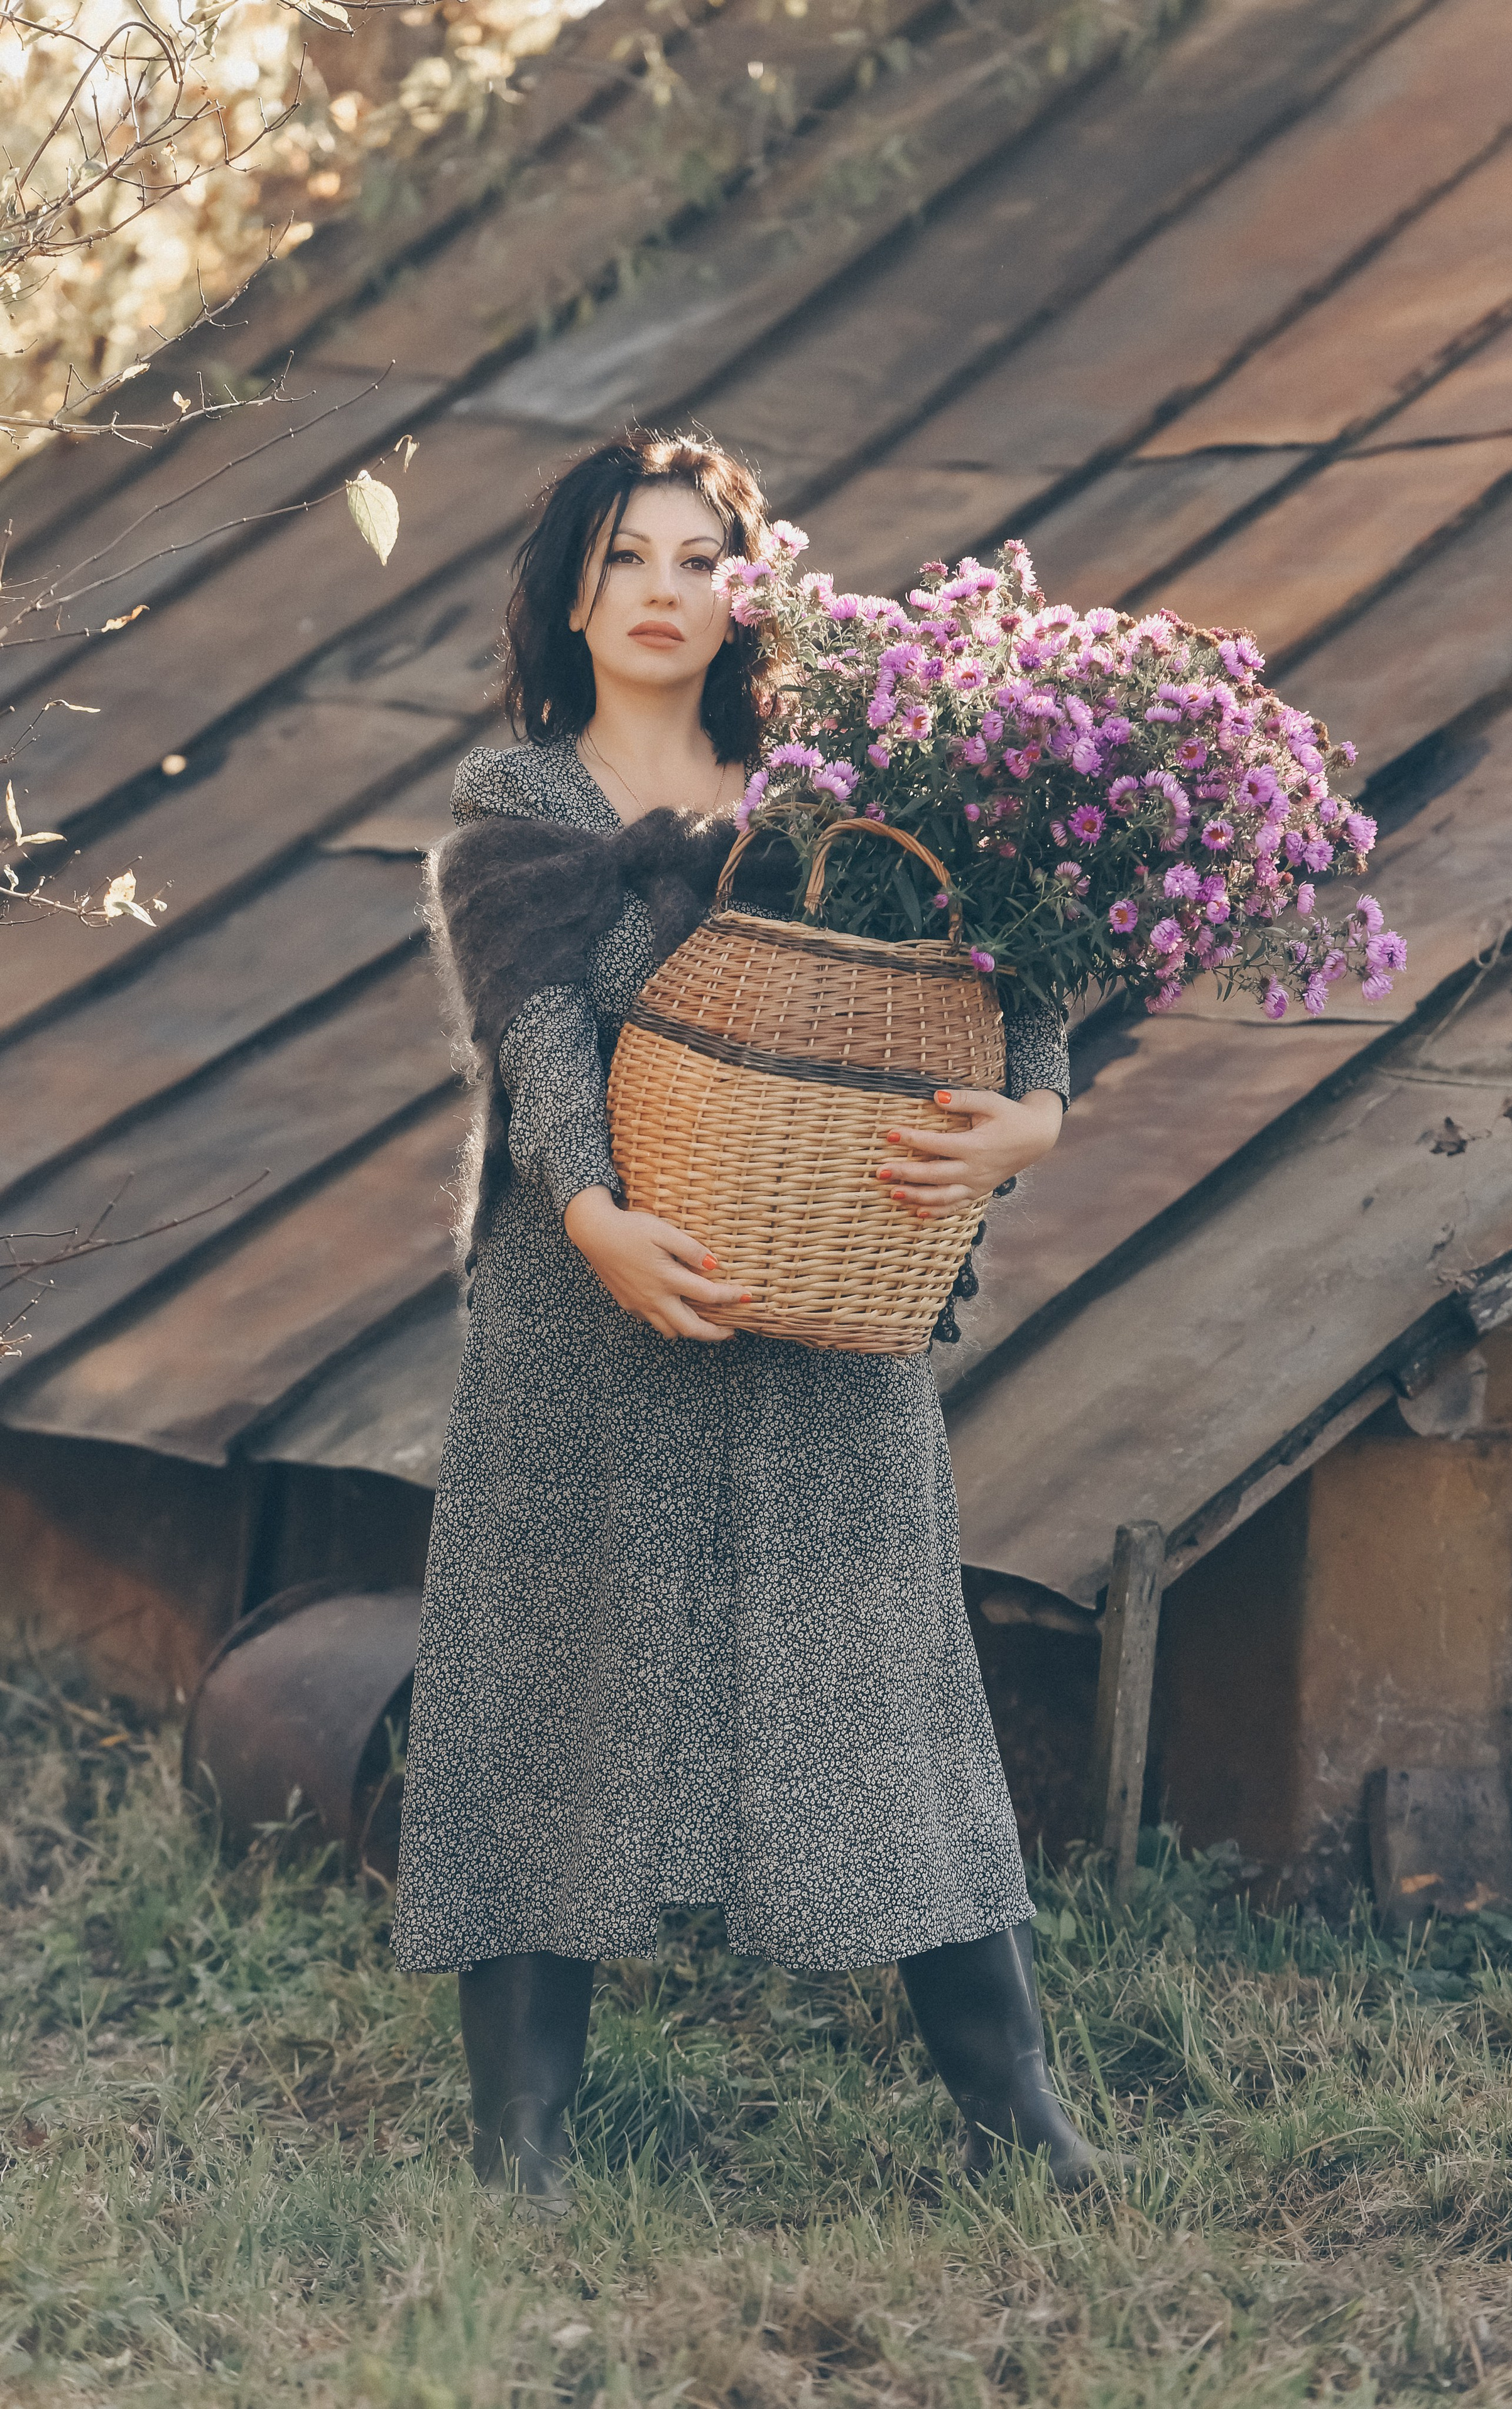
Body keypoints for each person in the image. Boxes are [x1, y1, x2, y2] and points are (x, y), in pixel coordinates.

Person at [391, 428, 1105, 2209]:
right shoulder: (519, 805)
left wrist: (1038, 1106)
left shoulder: (842, 781)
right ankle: (520, 2147)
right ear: (572, 588)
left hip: (826, 1295)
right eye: (625, 557)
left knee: (882, 1680)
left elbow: (1005, 944)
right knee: (553, 1683)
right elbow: (539, 1034)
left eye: (699, 557)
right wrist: (597, 1222)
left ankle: (1018, 2120)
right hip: (586, 1309)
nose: (660, 591)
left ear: (748, 589)